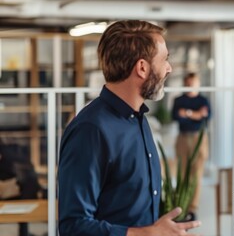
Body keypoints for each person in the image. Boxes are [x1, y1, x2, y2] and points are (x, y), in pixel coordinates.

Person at [58, 20, 201, 236]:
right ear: (142, 68)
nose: (169, 69)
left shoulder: (140, 119)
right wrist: (146, 233)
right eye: (165, 60)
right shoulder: (90, 130)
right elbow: (73, 226)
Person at [171, 72, 211, 221]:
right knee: (181, 173)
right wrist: (196, 114)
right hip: (182, 138)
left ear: (198, 84)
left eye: (193, 84)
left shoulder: (204, 100)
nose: (190, 87)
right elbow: (175, 116)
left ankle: (192, 209)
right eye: (187, 84)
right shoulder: (178, 100)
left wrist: (186, 113)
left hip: (199, 138)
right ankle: (182, 207)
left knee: (196, 174)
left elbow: (206, 116)